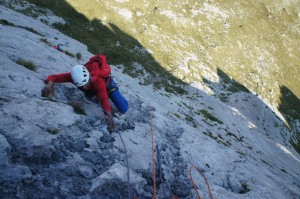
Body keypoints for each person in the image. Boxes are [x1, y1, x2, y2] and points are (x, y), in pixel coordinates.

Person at [41, 54, 117, 132]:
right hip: (94, 90)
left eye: (85, 84)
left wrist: (109, 116)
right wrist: (49, 84)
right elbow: (54, 77)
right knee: (90, 95)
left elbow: (104, 99)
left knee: (123, 107)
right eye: (81, 86)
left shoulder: (98, 82)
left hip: (108, 85)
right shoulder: (75, 76)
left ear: (88, 78)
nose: (84, 88)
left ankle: (113, 90)